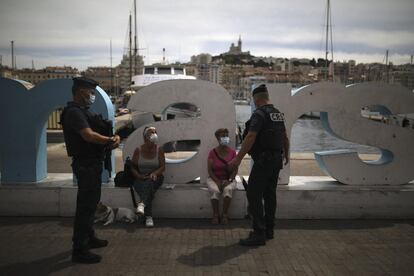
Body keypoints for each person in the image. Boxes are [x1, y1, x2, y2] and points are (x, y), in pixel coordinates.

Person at [61, 77, 121, 263]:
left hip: (92, 164)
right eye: (91, 92)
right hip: (85, 164)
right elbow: (88, 136)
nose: (92, 95)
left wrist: (111, 138)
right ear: (80, 92)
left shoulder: (84, 112)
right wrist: (110, 140)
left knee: (91, 203)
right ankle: (79, 249)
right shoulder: (73, 112)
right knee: (85, 207)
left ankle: (89, 238)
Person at [229, 84, 289, 246]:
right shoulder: (277, 114)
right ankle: (269, 230)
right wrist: (287, 154)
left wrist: (238, 158)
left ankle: (258, 232)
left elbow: (250, 137)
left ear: (256, 99)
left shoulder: (259, 114)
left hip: (263, 161)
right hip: (276, 159)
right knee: (270, 195)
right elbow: (285, 137)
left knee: (253, 195)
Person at [130, 126, 165, 227]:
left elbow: (162, 167)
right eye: (151, 132)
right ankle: (147, 214)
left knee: (150, 182)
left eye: (155, 132)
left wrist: (155, 173)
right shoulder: (138, 150)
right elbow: (132, 167)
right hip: (140, 177)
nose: (154, 134)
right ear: (145, 136)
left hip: (156, 177)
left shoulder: (159, 150)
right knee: (147, 188)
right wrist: (139, 176)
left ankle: (143, 207)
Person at [207, 128, 238, 225]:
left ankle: (225, 215)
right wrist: (217, 181)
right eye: (223, 135)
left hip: (229, 179)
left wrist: (229, 180)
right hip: (214, 178)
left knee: (227, 190)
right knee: (215, 191)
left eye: (226, 135)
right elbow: (210, 170)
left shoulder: (233, 152)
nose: (225, 137)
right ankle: (216, 215)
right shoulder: (212, 153)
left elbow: (235, 169)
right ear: (217, 138)